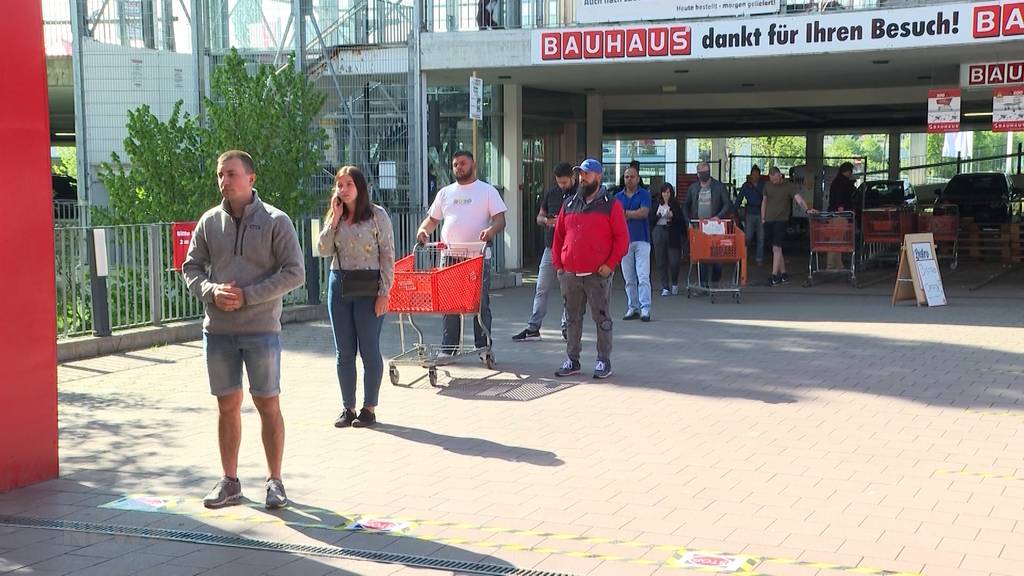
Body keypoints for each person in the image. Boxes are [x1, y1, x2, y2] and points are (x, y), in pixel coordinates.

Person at [183, 150, 305, 510]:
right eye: (220, 175)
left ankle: (275, 481)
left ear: (251, 179)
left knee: (267, 402)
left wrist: (249, 296)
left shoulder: (275, 221)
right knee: (227, 405)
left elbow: (295, 272)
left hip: (261, 329)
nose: (224, 181)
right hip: (218, 330)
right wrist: (211, 291)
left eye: (232, 174)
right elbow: (191, 268)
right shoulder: (208, 222)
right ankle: (230, 482)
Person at [317, 166, 395, 429]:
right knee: (344, 352)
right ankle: (347, 407)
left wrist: (384, 292)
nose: (343, 189)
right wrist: (335, 218)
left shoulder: (376, 215)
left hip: (368, 286)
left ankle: (369, 408)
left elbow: (387, 255)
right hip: (339, 284)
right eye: (339, 185)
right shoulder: (335, 216)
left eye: (349, 184)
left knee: (369, 349)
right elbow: (323, 248)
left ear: (360, 187)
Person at [416, 151, 507, 355]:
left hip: (477, 257)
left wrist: (491, 231)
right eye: (455, 164)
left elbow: (500, 219)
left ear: (473, 165)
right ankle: (449, 347)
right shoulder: (446, 193)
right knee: (449, 303)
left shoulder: (487, 191)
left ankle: (482, 345)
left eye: (463, 163)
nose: (459, 167)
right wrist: (423, 231)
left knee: (479, 302)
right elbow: (432, 219)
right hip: (449, 256)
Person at [551, 159, 629, 379]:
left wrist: (610, 264)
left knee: (602, 318)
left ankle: (603, 360)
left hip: (598, 274)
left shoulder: (611, 204)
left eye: (587, 174)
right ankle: (572, 360)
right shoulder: (569, 204)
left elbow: (622, 239)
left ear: (598, 176)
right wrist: (559, 267)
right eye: (580, 174)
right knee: (572, 318)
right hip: (570, 274)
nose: (582, 178)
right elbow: (558, 238)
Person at [512, 162, 574, 342]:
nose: (562, 185)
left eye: (564, 182)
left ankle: (567, 327)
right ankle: (533, 328)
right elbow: (539, 217)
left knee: (569, 291)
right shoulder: (551, 193)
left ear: (572, 177)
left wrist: (562, 223)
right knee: (541, 288)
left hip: (570, 248)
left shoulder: (579, 194)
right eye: (559, 182)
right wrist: (546, 221)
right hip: (551, 247)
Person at [762, 166, 814, 286]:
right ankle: (784, 274)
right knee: (777, 249)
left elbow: (798, 198)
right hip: (768, 220)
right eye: (772, 180)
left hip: (781, 220)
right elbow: (764, 202)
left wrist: (806, 210)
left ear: (780, 176)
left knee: (776, 248)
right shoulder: (767, 185)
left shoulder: (788, 186)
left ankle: (774, 276)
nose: (774, 182)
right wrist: (763, 218)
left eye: (776, 179)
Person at [684, 162, 733, 288]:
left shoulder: (719, 186)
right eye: (701, 173)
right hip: (698, 227)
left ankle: (714, 283)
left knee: (717, 258)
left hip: (715, 226)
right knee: (702, 257)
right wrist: (688, 221)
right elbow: (685, 205)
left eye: (706, 172)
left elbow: (727, 204)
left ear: (709, 172)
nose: (704, 175)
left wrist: (718, 216)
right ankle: (704, 285)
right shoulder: (693, 188)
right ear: (697, 174)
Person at [616, 166, 653, 321]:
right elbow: (617, 217)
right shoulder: (617, 197)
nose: (629, 179)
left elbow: (644, 212)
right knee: (629, 278)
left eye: (632, 176)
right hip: (624, 241)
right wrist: (633, 213)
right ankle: (633, 307)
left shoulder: (645, 194)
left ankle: (645, 309)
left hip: (642, 240)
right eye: (626, 177)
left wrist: (626, 213)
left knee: (643, 276)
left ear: (638, 178)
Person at [650, 183, 684, 296]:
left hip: (672, 233)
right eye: (664, 192)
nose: (666, 195)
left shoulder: (675, 204)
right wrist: (658, 216)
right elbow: (650, 220)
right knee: (660, 260)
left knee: (674, 260)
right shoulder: (655, 204)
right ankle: (665, 286)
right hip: (658, 232)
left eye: (668, 192)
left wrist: (672, 216)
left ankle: (674, 283)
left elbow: (680, 219)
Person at [826, 162, 858, 269]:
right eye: (851, 171)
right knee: (836, 239)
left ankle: (837, 263)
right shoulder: (842, 182)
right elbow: (840, 197)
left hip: (835, 213)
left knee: (837, 239)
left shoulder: (837, 181)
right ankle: (831, 264)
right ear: (848, 171)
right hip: (840, 214)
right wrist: (841, 208)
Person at [736, 165, 766, 266]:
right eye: (754, 174)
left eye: (757, 174)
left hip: (761, 213)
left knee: (761, 237)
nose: (755, 176)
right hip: (750, 213)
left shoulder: (763, 185)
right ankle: (744, 255)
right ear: (751, 175)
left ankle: (759, 258)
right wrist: (733, 210)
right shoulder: (746, 186)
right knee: (748, 237)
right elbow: (739, 198)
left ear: (759, 175)